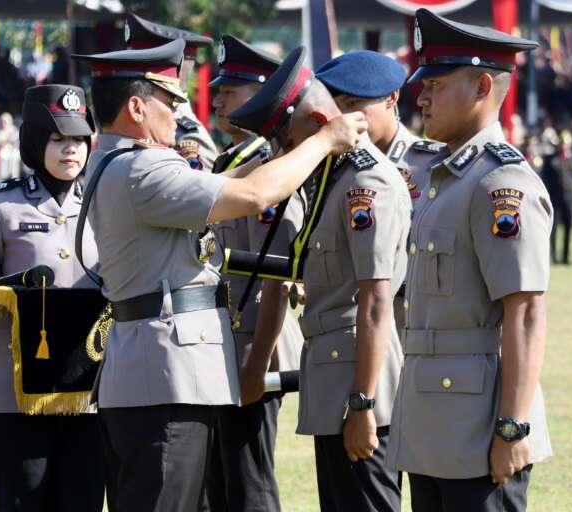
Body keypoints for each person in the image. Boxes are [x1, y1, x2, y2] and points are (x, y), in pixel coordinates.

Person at [71, 41, 366, 512]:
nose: (179, 111)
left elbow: (231, 181)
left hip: (154, 373)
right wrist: (325, 140)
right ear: (136, 107)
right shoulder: (144, 169)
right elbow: (251, 194)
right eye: (169, 101)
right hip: (165, 379)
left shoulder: (121, 163)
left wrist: (278, 146)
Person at [229, 47, 411, 512]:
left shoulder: (364, 184)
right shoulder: (332, 176)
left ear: (315, 120)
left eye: (285, 140)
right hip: (335, 379)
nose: (286, 154)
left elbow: (374, 301)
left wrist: (363, 404)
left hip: (359, 383)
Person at [386, 9, 553, 511]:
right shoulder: (446, 178)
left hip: (482, 428)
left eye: (435, 84)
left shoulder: (501, 184)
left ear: (483, 85)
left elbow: (524, 312)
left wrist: (513, 426)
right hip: (432, 418)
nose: (422, 96)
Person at [0, 85, 106, 511]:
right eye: (58, 140)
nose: (70, 150)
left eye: (78, 140)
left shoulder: (105, 205)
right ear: (36, 142)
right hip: (14, 393)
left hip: (89, 392)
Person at [205, 34, 304, 512]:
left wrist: (258, 358)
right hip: (228, 340)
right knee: (223, 481)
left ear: (264, 96)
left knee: (249, 482)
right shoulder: (232, 164)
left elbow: (276, 275)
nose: (218, 98)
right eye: (219, 89)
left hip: (255, 345)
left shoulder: (269, 170)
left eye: (232, 91)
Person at [314, 50, 441, 338]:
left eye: (355, 103)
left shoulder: (430, 166)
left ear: (392, 98)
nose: (346, 116)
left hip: (411, 332)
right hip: (346, 336)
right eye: (338, 106)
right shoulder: (334, 168)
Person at [123, 12, 219, 170]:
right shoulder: (133, 114)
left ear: (176, 70)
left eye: (142, 68)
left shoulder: (186, 134)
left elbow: (205, 184)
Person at [541, 130, 572, 265]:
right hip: (554, 199)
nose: (563, 145)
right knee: (553, 230)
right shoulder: (550, 159)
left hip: (569, 199)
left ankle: (566, 258)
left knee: (568, 229)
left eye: (566, 143)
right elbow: (544, 178)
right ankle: (553, 257)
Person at [0, 112, 22, 179]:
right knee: (2, 154)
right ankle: (3, 176)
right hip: (3, 149)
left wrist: (12, 142)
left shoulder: (14, 130)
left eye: (5, 122)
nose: (4, 123)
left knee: (15, 155)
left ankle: (14, 176)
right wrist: (3, 143)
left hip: (13, 149)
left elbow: (18, 141)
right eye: (2, 122)